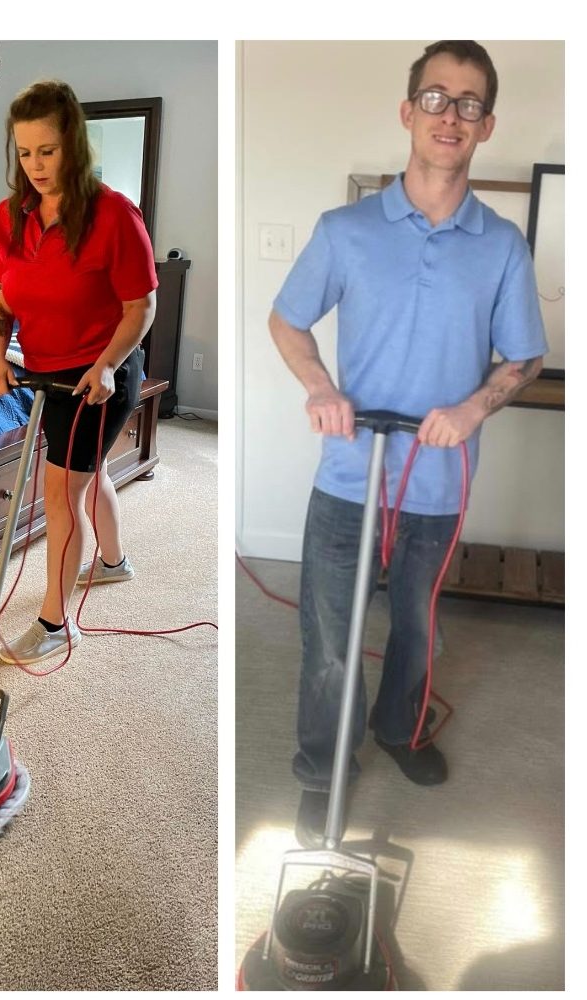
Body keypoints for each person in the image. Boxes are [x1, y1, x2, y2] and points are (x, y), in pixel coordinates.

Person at [268, 41, 548, 845]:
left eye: (467, 103)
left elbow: (523, 355)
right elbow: (287, 320)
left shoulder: (499, 245)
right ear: (407, 112)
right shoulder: (345, 229)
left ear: (485, 124)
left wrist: (472, 406)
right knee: (329, 639)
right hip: (349, 477)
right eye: (435, 97)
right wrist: (320, 388)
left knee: (416, 629)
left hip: (436, 483)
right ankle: (322, 769)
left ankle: (398, 729)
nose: (449, 115)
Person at [0, 80, 157, 664]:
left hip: (99, 375)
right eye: (25, 152)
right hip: (45, 369)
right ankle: (112, 563)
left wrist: (107, 364)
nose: (34, 164)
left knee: (61, 493)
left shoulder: (114, 214)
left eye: (47, 151)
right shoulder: (9, 219)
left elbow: (141, 308)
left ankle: (54, 623)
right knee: (86, 472)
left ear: (73, 146)